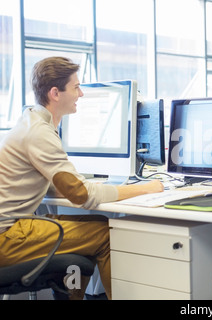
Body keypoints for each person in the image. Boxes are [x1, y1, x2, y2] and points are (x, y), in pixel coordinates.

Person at [0, 56, 164, 300]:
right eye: (76, 87)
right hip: (9, 238)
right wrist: (148, 188)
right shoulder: (39, 133)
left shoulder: (30, 122)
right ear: (55, 93)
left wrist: (85, 186)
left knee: (92, 227)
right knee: (105, 235)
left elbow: (59, 186)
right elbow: (82, 196)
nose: (81, 94)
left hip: (10, 230)